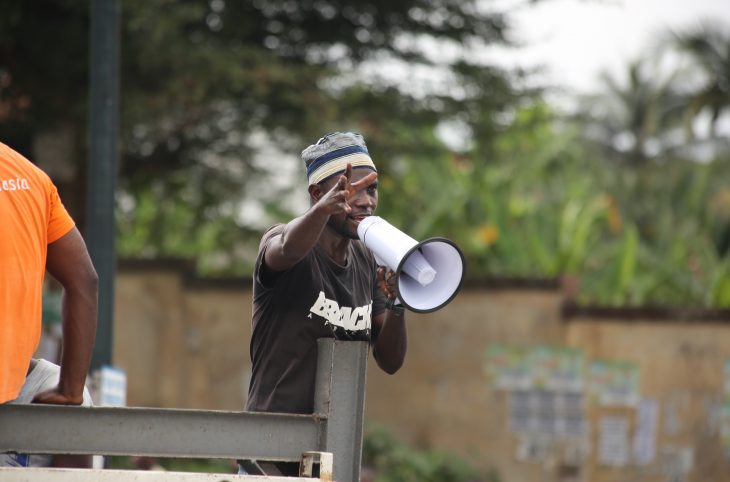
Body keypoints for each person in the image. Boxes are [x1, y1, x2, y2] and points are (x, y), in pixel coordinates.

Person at [242, 132, 408, 476]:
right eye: (351, 189)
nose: (366, 201)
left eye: (371, 189)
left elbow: (390, 361)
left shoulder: (367, 261)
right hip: (269, 455)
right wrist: (321, 212)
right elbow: (285, 249)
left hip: (332, 455)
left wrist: (397, 303)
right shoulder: (283, 241)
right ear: (318, 194)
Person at [0, 141, 98, 468]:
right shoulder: (31, 178)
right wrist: (72, 389)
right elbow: (85, 280)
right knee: (77, 412)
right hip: (18, 391)